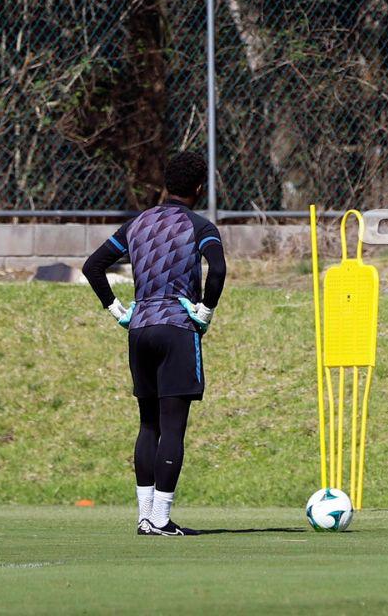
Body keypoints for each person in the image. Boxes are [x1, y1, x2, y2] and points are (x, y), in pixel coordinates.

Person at [82, 152, 226, 536]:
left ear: (166, 183)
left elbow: (92, 266)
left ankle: (144, 517)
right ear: (199, 188)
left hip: (140, 327)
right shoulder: (199, 226)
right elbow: (219, 271)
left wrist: (118, 311)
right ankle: (161, 517)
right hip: (177, 328)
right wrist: (205, 312)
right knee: (173, 426)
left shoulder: (136, 225)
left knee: (148, 424)